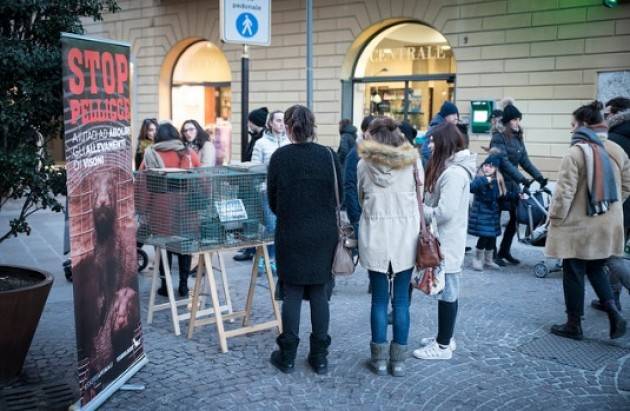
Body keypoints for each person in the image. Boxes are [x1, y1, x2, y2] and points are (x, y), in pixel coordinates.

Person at [546, 101, 630, 341]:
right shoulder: (615, 149)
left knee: (573, 269)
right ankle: (614, 312)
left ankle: (573, 324)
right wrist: (609, 205)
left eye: (573, 125)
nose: (571, 130)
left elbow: (564, 193)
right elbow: (627, 184)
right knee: (596, 268)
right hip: (607, 222)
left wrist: (555, 218)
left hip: (579, 224)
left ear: (583, 124)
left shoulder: (576, 152)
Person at [267, 105, 341, 375]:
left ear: (287, 128)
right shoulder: (329, 156)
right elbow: (339, 197)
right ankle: (319, 357)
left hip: (291, 232)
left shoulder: (279, 157)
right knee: (320, 293)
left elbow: (273, 201)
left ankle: (287, 356)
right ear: (313, 126)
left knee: (293, 293)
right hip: (324, 234)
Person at [357, 117, 421, 377]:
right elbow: (421, 195)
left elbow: (361, 198)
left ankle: (380, 360)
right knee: (402, 302)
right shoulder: (413, 161)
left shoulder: (364, 164)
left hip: (376, 236)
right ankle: (399, 362)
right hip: (406, 237)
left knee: (379, 301)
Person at [413, 123, 475, 361]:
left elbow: (444, 212)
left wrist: (421, 209)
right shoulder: (453, 170)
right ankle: (445, 337)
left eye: (432, 141)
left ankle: (442, 345)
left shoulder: (454, 173)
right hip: (448, 240)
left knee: (448, 291)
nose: (429, 145)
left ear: (444, 143)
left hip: (447, 242)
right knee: (447, 290)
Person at [140, 122, 201, 296]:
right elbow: (202, 179)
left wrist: (142, 210)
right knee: (185, 246)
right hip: (187, 209)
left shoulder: (150, 154)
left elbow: (142, 184)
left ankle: (165, 286)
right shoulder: (188, 153)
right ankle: (183, 285)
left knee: (163, 247)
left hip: (161, 210)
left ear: (158, 136)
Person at [490, 99, 546, 266]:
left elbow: (525, 160)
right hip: (498, 183)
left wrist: (539, 177)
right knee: (494, 219)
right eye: (514, 120)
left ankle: (505, 250)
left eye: (518, 119)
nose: (517, 123)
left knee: (515, 218)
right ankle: (492, 254)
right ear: (507, 122)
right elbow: (504, 162)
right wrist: (522, 178)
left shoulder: (517, 137)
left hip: (513, 184)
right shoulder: (498, 138)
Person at [591, 97, 630, 311]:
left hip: (621, 207)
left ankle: (612, 298)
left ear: (614, 113)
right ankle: (612, 298)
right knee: (615, 252)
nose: (604, 118)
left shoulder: (614, 139)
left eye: (606, 114)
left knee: (612, 256)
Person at [251, 110, 289, 274]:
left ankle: (272, 258)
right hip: (267, 190)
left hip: (287, 191)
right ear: (270, 123)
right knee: (271, 225)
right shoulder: (261, 143)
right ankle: (266, 258)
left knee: (282, 226)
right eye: (278, 120)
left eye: (283, 121)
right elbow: (254, 167)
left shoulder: (290, 142)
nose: (281, 124)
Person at [234, 107, 269, 262]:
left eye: (250, 121)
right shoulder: (256, 137)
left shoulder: (261, 140)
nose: (248, 124)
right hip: (251, 182)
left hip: (255, 183)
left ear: (256, 122)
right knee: (250, 215)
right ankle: (250, 246)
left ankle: (252, 248)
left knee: (252, 216)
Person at [468, 150, 514, 271]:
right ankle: (477, 260)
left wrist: (517, 195)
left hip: (492, 216)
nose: (488, 168)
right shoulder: (480, 179)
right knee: (483, 238)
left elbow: (503, 195)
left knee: (491, 238)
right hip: (481, 215)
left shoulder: (497, 181)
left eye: (491, 166)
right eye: (486, 165)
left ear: (496, 169)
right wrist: (485, 181)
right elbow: (471, 188)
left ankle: (488, 260)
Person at [344, 115, 375, 233]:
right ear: (364, 132)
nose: (374, 135)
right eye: (370, 131)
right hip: (361, 216)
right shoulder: (354, 154)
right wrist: (355, 218)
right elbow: (349, 186)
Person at [421, 101, 459, 166]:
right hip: (434, 170)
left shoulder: (448, 127)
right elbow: (425, 150)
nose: (456, 117)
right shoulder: (437, 128)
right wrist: (438, 165)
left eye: (457, 114)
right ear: (445, 115)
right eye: (453, 114)